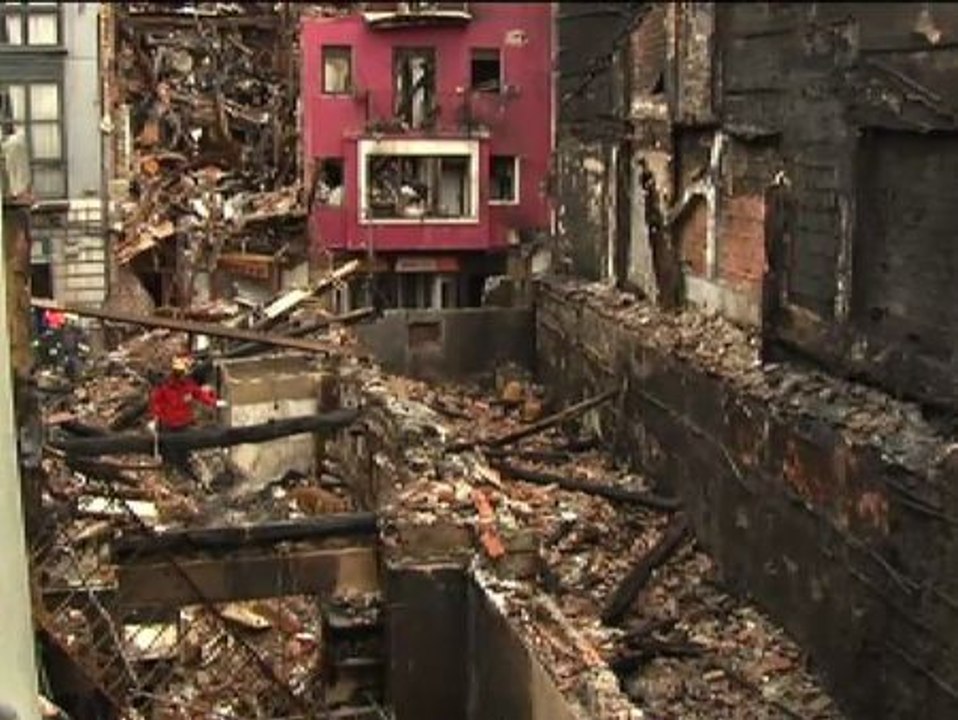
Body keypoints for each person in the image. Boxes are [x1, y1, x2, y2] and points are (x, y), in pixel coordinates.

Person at [148, 354, 226, 481]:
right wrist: (155, 418)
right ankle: (171, 472)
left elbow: (200, 395)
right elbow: (156, 403)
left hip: (184, 425)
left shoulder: (188, 385)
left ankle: (187, 473)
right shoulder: (165, 388)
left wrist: (215, 402)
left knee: (184, 449)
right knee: (170, 451)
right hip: (168, 426)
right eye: (180, 373)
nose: (182, 375)